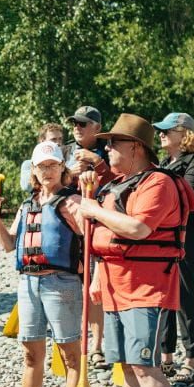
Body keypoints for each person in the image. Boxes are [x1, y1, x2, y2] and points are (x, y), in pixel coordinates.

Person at [78, 113, 193, 387]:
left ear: (136, 148)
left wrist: (93, 208)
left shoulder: (158, 183)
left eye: (114, 143)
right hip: (115, 284)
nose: (107, 147)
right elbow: (102, 234)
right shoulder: (119, 184)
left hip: (148, 286)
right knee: (126, 365)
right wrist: (97, 275)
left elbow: (139, 228)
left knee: (146, 366)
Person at [0, 142, 85, 387]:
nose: (47, 171)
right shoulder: (27, 205)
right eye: (42, 166)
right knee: (31, 355)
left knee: (70, 356)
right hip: (28, 283)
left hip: (62, 284)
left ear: (62, 168)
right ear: (33, 170)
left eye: (53, 165)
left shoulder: (72, 203)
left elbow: (92, 242)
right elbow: (8, 245)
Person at [154, 113, 194, 387]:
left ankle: (191, 361)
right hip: (162, 235)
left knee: (186, 296)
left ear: (183, 134)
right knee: (164, 296)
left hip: (185, 236)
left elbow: (184, 196)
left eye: (167, 130)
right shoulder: (164, 163)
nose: (161, 134)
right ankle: (166, 358)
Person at [65, 106, 109, 369]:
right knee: (69, 286)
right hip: (70, 228)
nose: (77, 128)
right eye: (74, 124)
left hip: (99, 226)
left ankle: (97, 346)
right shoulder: (65, 150)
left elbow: (120, 180)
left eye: (83, 124)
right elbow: (46, 182)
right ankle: (70, 342)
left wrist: (96, 162)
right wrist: (71, 173)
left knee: (95, 290)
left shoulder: (110, 148)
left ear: (97, 127)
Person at [19, 123, 68, 193]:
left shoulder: (67, 160)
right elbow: (27, 187)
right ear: (42, 141)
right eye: (53, 139)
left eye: (60, 139)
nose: (58, 143)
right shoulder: (28, 164)